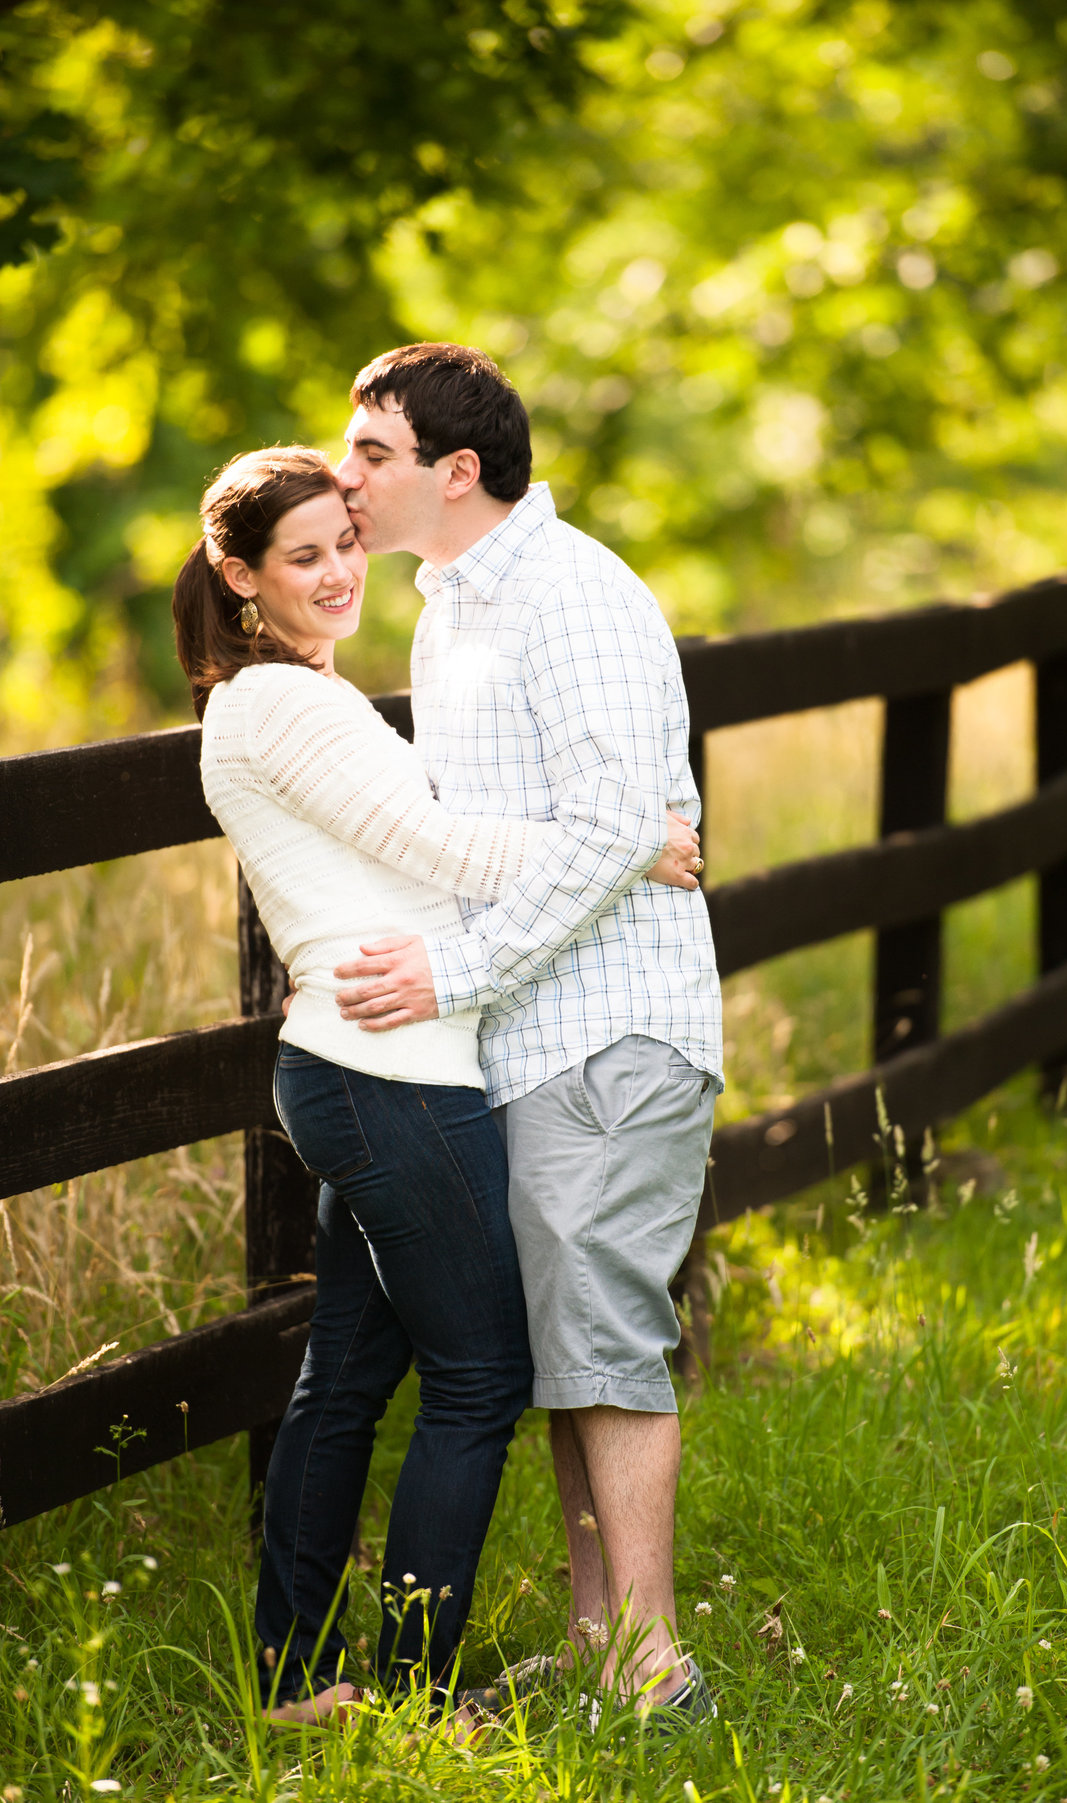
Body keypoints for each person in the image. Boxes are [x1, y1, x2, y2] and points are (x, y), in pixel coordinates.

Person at [170, 446, 700, 1729]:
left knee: (343, 1379)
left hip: (373, 1068)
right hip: (389, 1076)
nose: (342, 571)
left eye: (346, 543)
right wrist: (631, 840)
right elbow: (439, 846)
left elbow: (418, 852)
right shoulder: (280, 706)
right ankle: (409, 1694)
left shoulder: (299, 696)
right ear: (241, 579)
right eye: (304, 558)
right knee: (480, 1377)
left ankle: (298, 1687)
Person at [330, 343, 724, 1729]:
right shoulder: (451, 611)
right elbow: (565, 821)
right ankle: (601, 1632)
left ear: (458, 469)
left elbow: (617, 822)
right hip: (531, 1031)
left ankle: (657, 1662)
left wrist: (456, 966)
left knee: (604, 1335)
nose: (346, 477)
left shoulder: (572, 595)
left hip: (612, 1026)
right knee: (567, 1343)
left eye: (370, 454)